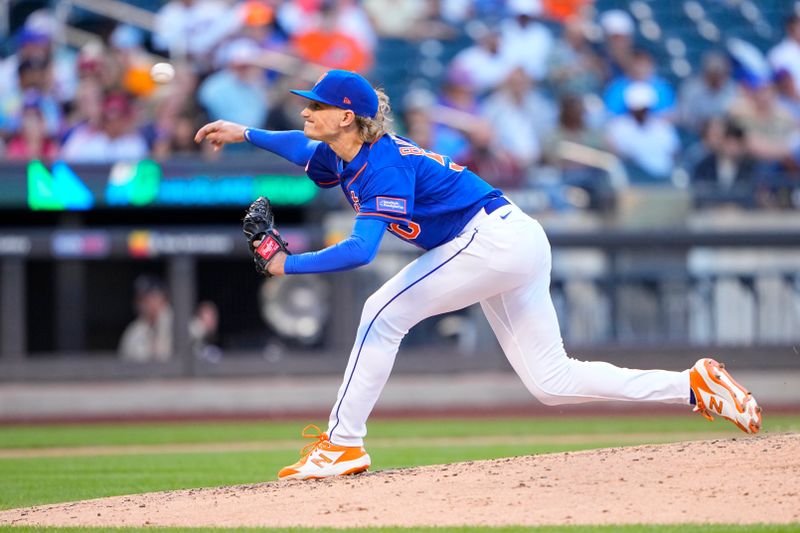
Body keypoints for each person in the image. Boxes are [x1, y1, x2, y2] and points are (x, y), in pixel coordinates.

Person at [194, 69, 762, 481]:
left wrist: (287, 264)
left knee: (380, 313)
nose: (305, 110)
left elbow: (363, 251)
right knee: (552, 382)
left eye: (316, 105)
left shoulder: (382, 166)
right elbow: (299, 147)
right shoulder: (342, 150)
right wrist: (245, 133)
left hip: (490, 239)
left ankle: (344, 444)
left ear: (347, 117)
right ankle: (693, 385)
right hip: (511, 238)